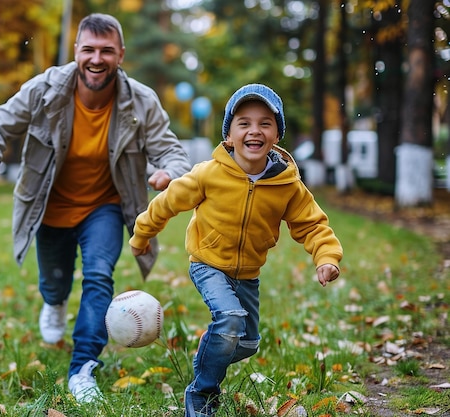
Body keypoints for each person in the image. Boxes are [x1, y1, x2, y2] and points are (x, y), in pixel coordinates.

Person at [0, 13, 191, 403]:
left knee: (99, 276)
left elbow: (170, 148)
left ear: (120, 54)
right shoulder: (45, 90)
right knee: (54, 282)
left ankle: (83, 367)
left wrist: (170, 170)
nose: (96, 59)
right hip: (50, 205)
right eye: (88, 49)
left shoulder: (141, 101)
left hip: (104, 206)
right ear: (76, 52)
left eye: (106, 51)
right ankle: (53, 303)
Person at [129, 83, 343, 417]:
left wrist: (326, 257)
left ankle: (210, 346)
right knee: (229, 320)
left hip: (248, 273)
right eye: (244, 123)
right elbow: (167, 203)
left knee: (246, 342)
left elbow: (312, 224)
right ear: (229, 135)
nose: (254, 130)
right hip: (208, 262)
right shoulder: (208, 174)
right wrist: (142, 235)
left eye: (264, 123)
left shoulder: (287, 184)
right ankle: (201, 394)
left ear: (276, 135)